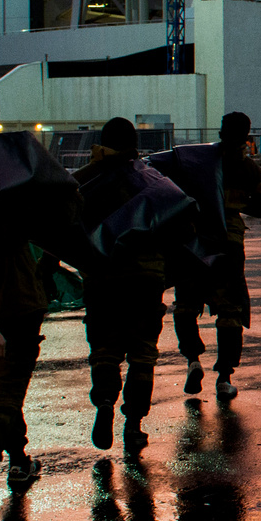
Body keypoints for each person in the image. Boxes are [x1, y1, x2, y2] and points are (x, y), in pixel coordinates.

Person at [0, 140, 83, 501]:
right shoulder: (13, 205)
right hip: (21, 305)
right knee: (7, 398)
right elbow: (63, 214)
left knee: (5, 390)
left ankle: (18, 460)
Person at [74, 117, 190, 457]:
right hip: (145, 277)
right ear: (134, 143)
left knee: (105, 350)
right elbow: (179, 223)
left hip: (102, 277)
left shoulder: (87, 181)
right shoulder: (151, 180)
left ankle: (105, 402)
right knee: (142, 353)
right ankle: (134, 425)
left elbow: (68, 225)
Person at [172, 111, 261, 402]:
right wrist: (236, 206)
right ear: (247, 136)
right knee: (230, 311)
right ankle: (225, 377)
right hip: (229, 244)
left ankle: (192, 360)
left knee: (186, 305)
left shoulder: (199, 162)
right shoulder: (249, 170)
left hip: (195, 243)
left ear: (220, 131)